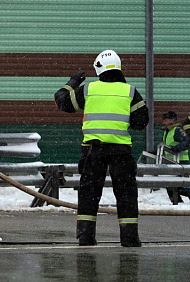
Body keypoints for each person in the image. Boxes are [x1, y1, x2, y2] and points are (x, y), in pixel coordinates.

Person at [54, 49, 149, 247]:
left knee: (89, 192)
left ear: (99, 68)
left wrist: (72, 82)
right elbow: (141, 122)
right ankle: (129, 238)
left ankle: (86, 237)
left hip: (92, 151)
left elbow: (61, 101)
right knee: (126, 194)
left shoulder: (88, 90)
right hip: (121, 151)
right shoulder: (130, 91)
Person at [159, 110, 190, 204]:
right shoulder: (167, 132)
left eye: (165, 120)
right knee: (171, 184)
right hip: (172, 163)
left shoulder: (177, 130)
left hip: (181, 162)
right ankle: (179, 202)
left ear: (171, 120)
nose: (163, 122)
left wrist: (177, 148)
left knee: (175, 185)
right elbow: (167, 147)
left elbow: (187, 142)